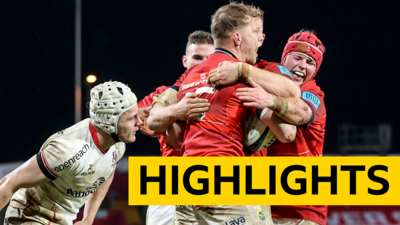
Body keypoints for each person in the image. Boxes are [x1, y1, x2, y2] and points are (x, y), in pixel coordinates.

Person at [148, 2, 300, 225]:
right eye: (256, 32)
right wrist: (244, 71)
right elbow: (293, 92)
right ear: (237, 38)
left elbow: (168, 132)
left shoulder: (190, 76)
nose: (261, 39)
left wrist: (177, 113)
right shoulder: (239, 72)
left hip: (188, 187)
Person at [0, 81, 142, 225]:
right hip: (31, 217)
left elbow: (107, 172)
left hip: (63, 220)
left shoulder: (117, 145)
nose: (140, 122)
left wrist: (88, 219)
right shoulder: (68, 150)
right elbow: (9, 182)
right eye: (132, 118)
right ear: (109, 121)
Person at [235, 30, 327, 225]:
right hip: (265, 205)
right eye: (297, 58)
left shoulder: (312, 93)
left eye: (310, 62)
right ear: (284, 58)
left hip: (300, 211)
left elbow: (300, 114)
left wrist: (269, 101)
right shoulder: (269, 79)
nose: (302, 66)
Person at [139, 30, 215, 225]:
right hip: (171, 179)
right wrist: (173, 111)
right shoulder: (164, 94)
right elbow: (131, 115)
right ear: (185, 60)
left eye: (210, 57)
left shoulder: (226, 95)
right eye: (197, 57)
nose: (204, 63)